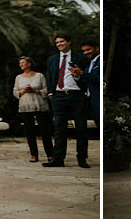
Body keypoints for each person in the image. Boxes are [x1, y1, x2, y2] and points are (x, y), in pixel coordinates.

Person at [43, 34, 92, 168]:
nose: (59, 44)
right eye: (57, 42)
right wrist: (51, 93)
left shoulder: (80, 58)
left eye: (62, 41)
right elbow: (49, 76)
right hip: (58, 96)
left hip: (77, 96)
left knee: (81, 127)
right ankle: (58, 159)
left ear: (69, 42)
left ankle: (82, 159)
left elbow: (87, 75)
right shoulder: (52, 59)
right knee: (59, 129)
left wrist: (79, 76)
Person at [14, 56, 52, 163]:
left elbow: (46, 90)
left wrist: (35, 90)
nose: (21, 64)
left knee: (45, 131)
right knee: (30, 132)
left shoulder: (39, 76)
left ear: (29, 64)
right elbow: (15, 92)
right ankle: (34, 154)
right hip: (25, 107)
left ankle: (50, 154)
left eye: (23, 62)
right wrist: (23, 91)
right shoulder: (18, 77)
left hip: (40, 106)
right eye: (20, 63)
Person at [81, 41, 101, 124]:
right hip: (90, 100)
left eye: (88, 50)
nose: (86, 53)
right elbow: (85, 80)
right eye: (84, 51)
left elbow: (98, 79)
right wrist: (77, 75)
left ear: (97, 48)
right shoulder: (90, 63)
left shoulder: (100, 61)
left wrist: (83, 73)